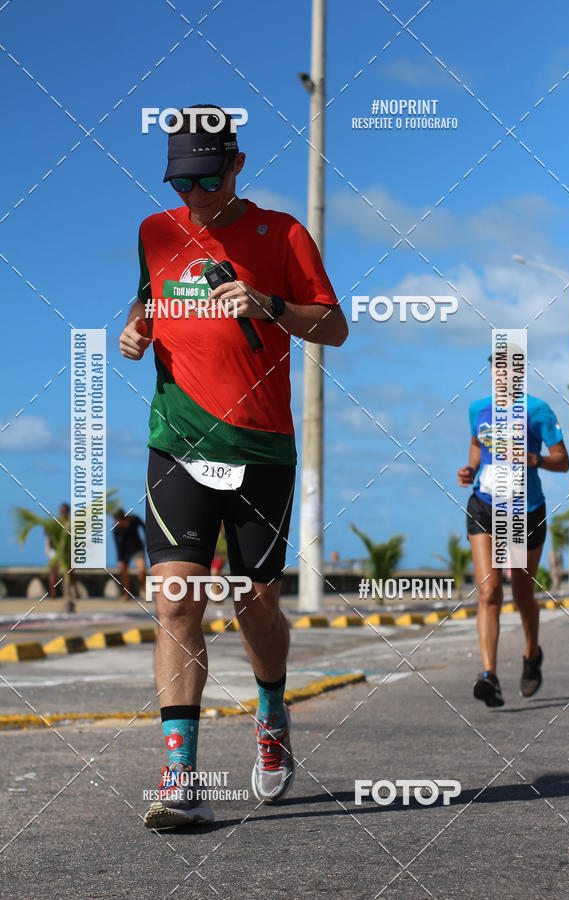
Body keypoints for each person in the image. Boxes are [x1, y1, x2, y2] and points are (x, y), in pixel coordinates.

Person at [119, 104, 348, 829]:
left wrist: (271, 304)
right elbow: (149, 297)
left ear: (238, 165)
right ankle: (180, 776)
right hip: (176, 441)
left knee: (254, 601)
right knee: (178, 597)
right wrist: (134, 326)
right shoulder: (157, 231)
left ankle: (272, 711)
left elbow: (334, 326)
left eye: (208, 181)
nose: (196, 197)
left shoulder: (280, 233)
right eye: (184, 184)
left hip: (260, 450)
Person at [457, 362, 569, 707]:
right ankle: (489, 676)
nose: (503, 377)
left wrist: (532, 458)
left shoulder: (538, 410)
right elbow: (478, 446)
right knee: (489, 592)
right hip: (485, 505)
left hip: (524, 511)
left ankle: (531, 654)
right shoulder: (478, 409)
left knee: (522, 596)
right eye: (497, 371)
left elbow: (562, 461)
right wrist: (470, 468)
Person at [112, 508, 147, 601]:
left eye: (116, 520)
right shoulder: (116, 529)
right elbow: (118, 546)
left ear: (120, 518)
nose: (115, 522)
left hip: (137, 548)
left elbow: (145, 527)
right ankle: (126, 594)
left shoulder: (134, 519)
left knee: (142, 570)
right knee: (123, 571)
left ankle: (144, 590)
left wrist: (147, 540)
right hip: (124, 552)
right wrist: (120, 560)